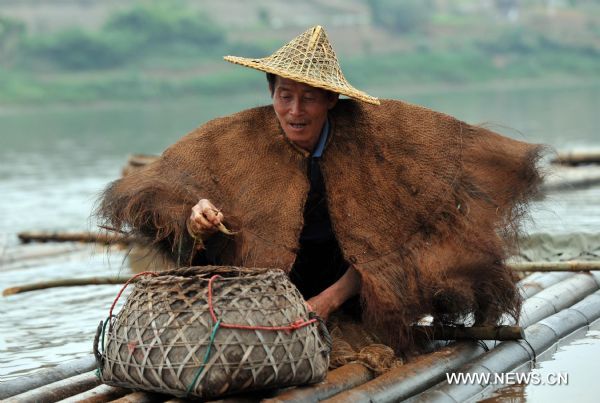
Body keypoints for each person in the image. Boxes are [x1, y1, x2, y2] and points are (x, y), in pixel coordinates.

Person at [98, 26, 542, 354]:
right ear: (270, 94)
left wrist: (327, 302)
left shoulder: (379, 137)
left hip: (348, 283)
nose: (295, 111)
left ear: (331, 99)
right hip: (266, 285)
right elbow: (155, 189)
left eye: (309, 98)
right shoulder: (229, 139)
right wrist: (195, 218)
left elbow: (385, 245)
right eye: (284, 96)